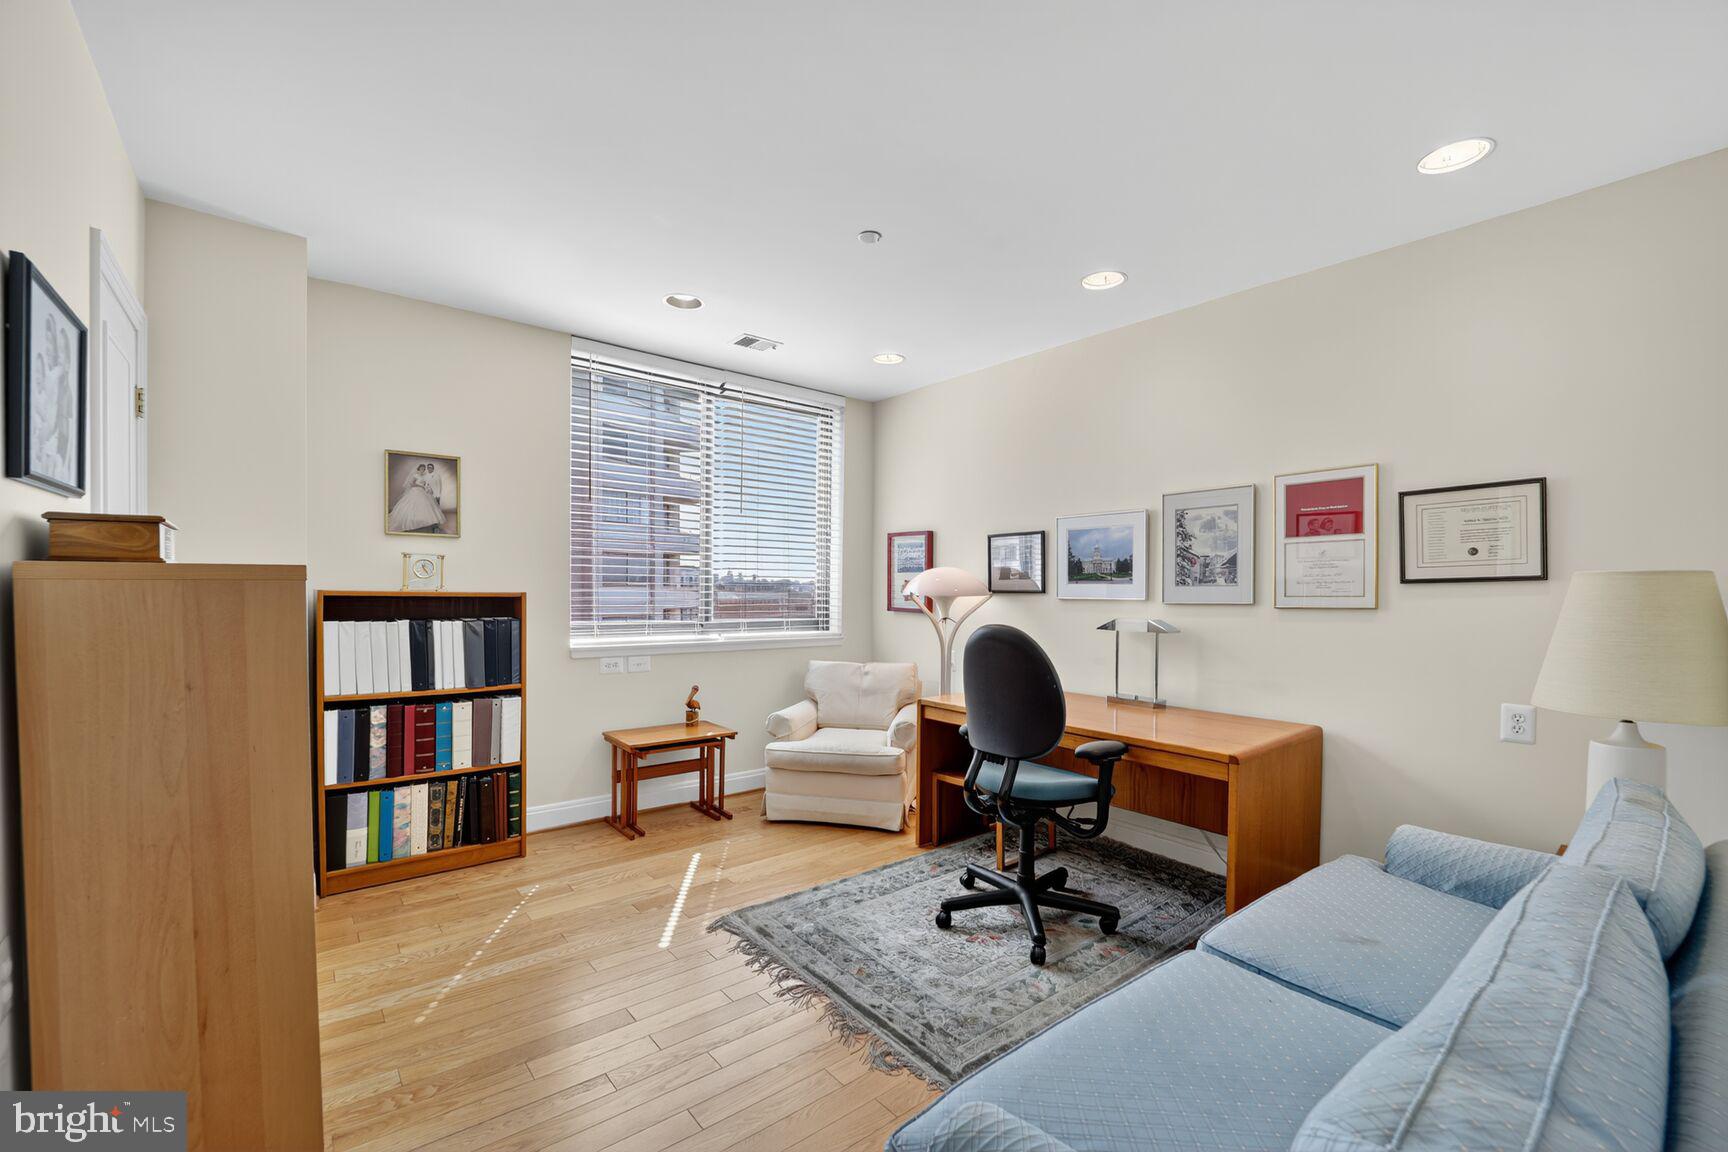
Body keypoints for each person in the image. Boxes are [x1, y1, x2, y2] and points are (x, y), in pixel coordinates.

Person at [388, 462, 446, 533]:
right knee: (413, 505)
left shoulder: (424, 476)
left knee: (425, 506)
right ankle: (412, 521)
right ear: (419, 469)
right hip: (415, 491)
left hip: (423, 491)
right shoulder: (415, 475)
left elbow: (426, 484)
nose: (423, 469)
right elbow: (412, 484)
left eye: (424, 469)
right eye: (422, 468)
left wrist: (426, 488)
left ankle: (424, 521)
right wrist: (420, 486)